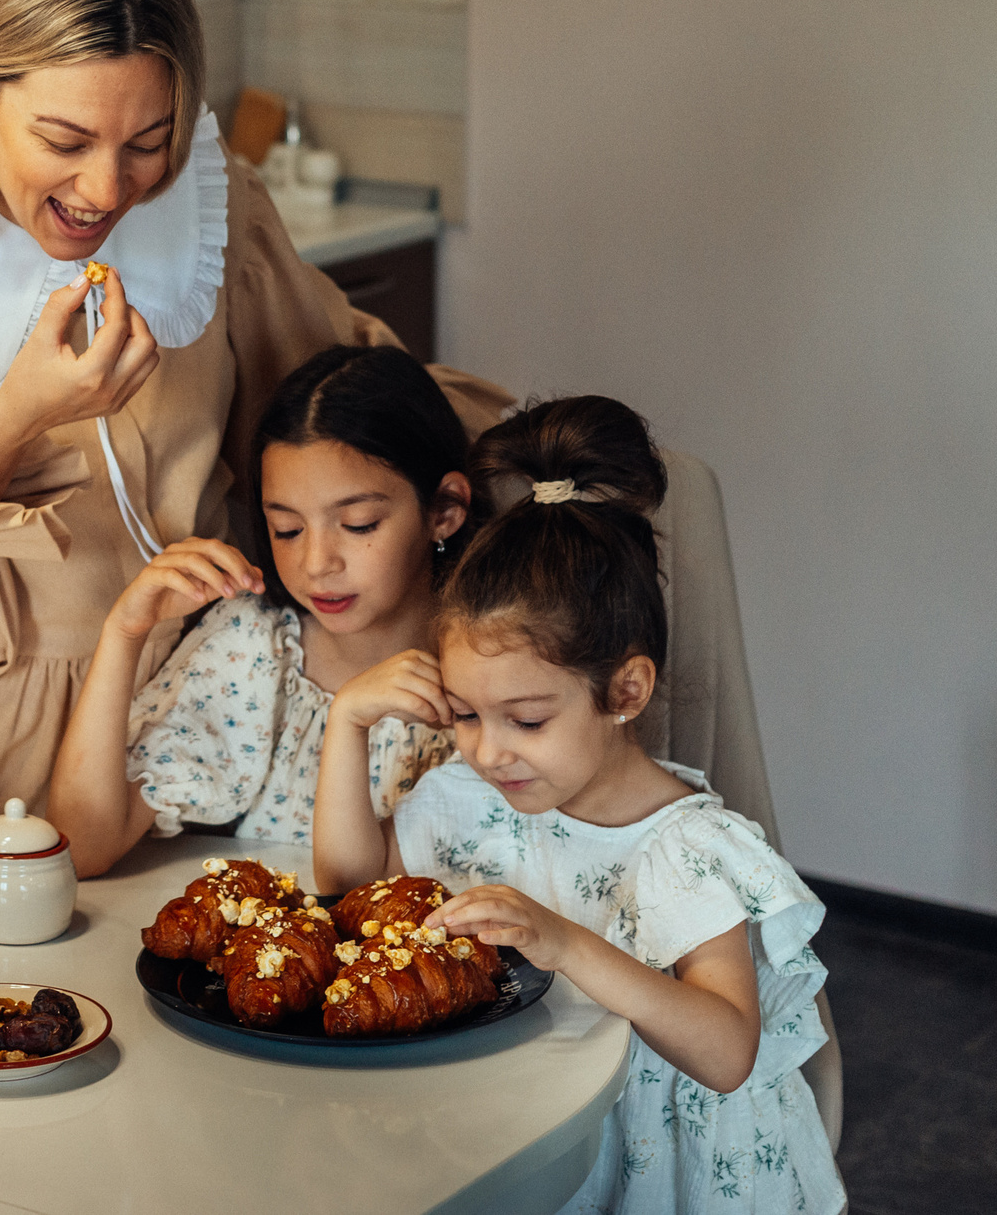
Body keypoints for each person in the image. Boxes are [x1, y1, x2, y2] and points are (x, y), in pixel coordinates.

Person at [0, 0, 509, 846]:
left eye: (148, 139)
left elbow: (341, 402)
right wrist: (14, 420)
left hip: (184, 738)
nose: (107, 189)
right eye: (63, 139)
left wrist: (546, 465)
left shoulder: (211, 207)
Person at [311, 396, 843, 1215]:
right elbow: (347, 881)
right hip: (537, 1133)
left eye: (526, 719)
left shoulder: (683, 845)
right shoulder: (467, 798)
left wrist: (563, 939)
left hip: (670, 1169)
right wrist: (346, 722)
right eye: (463, 713)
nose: (489, 750)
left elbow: (728, 1047)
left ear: (625, 690)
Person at [46, 345, 470, 874]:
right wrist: (125, 632)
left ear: (445, 511)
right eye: (287, 530)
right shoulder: (254, 647)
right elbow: (81, 848)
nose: (316, 564)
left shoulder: (497, 669)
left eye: (359, 523)